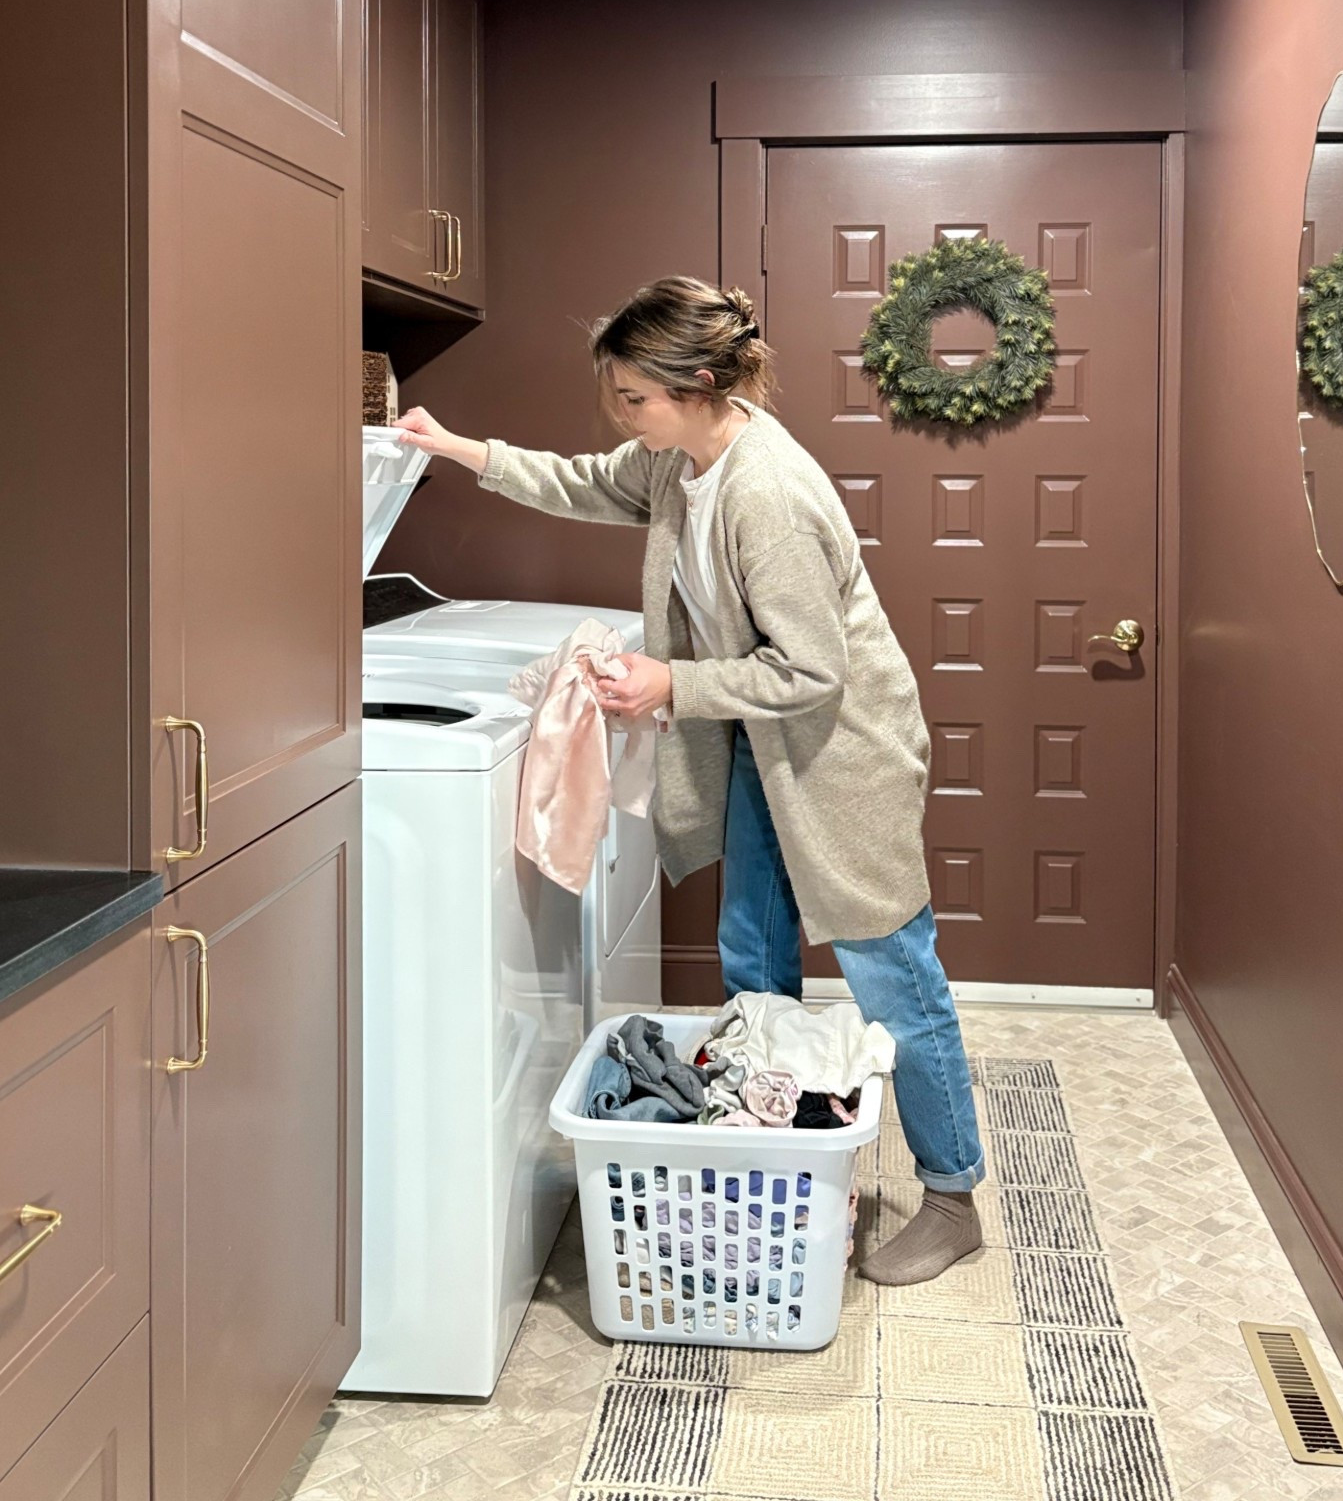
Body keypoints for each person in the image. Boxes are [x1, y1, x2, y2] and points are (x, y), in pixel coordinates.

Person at [395, 274, 985, 1285]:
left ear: (699, 384)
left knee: (891, 967)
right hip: (760, 741)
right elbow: (587, 481)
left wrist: (672, 681)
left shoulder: (768, 494)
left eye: (634, 398)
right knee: (752, 947)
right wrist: (458, 449)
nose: (621, 415)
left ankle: (951, 1196)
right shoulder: (682, 463)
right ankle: (771, 1142)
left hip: (842, 756)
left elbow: (813, 670)